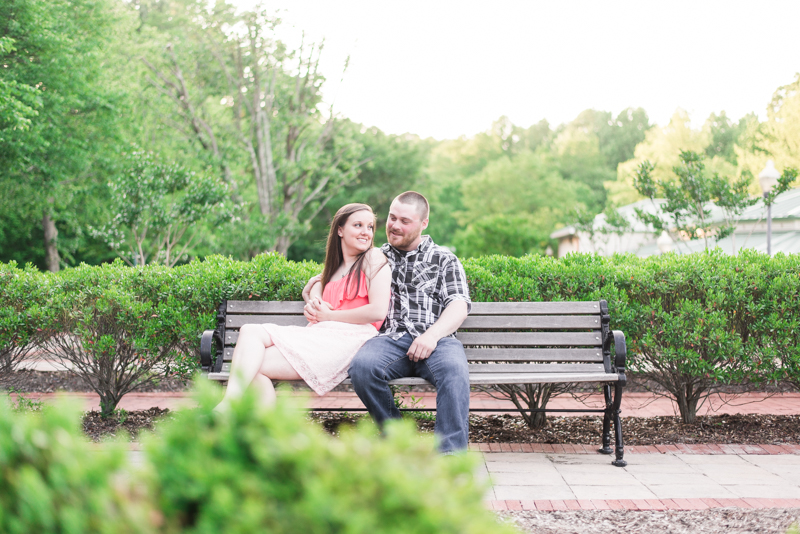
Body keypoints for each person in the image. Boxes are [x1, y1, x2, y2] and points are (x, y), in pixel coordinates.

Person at [214, 203, 390, 411]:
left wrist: (330, 315)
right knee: (250, 341)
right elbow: (316, 284)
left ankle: (231, 410)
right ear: (340, 230)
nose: (365, 232)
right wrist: (315, 300)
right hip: (323, 336)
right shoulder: (334, 268)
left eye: (370, 227)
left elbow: (378, 311)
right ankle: (240, 413)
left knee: (250, 366)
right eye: (358, 225)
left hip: (350, 340)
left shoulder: (374, 257)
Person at [348, 191, 472, 453]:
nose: (394, 225)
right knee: (362, 367)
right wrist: (313, 285)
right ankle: (397, 440)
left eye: (404, 221)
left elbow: (459, 304)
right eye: (392, 218)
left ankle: (450, 455)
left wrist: (431, 336)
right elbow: (337, 273)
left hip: (438, 341)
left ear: (423, 223)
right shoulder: (375, 257)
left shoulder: (444, 259)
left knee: (454, 371)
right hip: (390, 340)